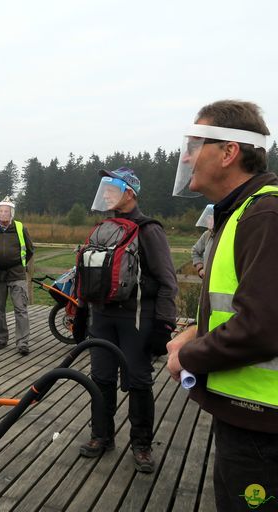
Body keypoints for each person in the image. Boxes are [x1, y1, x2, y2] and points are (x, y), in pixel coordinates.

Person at [167, 100, 278, 511]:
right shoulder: (242, 212)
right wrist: (199, 328)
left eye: (197, 144)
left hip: (263, 428)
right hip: (250, 417)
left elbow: (263, 327)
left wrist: (189, 356)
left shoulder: (263, 213)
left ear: (230, 152)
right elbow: (246, 304)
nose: (186, 156)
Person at [77, 167, 178, 473]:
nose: (106, 193)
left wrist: (164, 325)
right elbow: (86, 274)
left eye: (112, 188)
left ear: (130, 193)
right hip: (102, 316)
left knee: (138, 381)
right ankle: (101, 435)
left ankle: (142, 444)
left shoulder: (149, 230)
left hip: (136, 318)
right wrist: (81, 312)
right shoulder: (102, 228)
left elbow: (167, 281)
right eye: (104, 188)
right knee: (101, 378)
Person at [0, 196, 34, 355]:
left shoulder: (20, 228)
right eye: (1, 211)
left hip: (16, 274)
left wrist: (19, 263)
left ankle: (23, 343)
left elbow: (30, 250)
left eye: (6, 211)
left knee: (20, 309)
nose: (3, 214)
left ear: (12, 214)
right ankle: (1, 338)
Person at [191, 204, 214, 279]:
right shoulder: (207, 234)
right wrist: (200, 268)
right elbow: (195, 251)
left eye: (211, 218)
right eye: (207, 218)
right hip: (207, 283)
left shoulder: (226, 233)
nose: (208, 221)